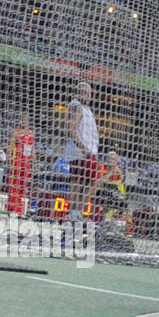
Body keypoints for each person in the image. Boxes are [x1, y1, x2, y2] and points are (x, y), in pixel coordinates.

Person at [64, 81, 101, 218]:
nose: (87, 95)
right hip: (80, 152)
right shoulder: (76, 106)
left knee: (87, 183)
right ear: (77, 92)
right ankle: (74, 213)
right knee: (79, 183)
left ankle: (76, 212)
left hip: (88, 151)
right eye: (84, 92)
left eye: (89, 93)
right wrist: (83, 148)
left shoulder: (86, 109)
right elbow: (70, 129)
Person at [6, 113, 34, 217]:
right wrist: (10, 161)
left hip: (26, 163)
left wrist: (34, 164)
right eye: (22, 119)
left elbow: (32, 149)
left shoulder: (31, 133)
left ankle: (19, 210)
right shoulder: (16, 132)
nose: (24, 121)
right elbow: (9, 147)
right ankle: (12, 209)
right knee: (14, 186)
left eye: (25, 119)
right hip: (17, 161)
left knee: (22, 186)